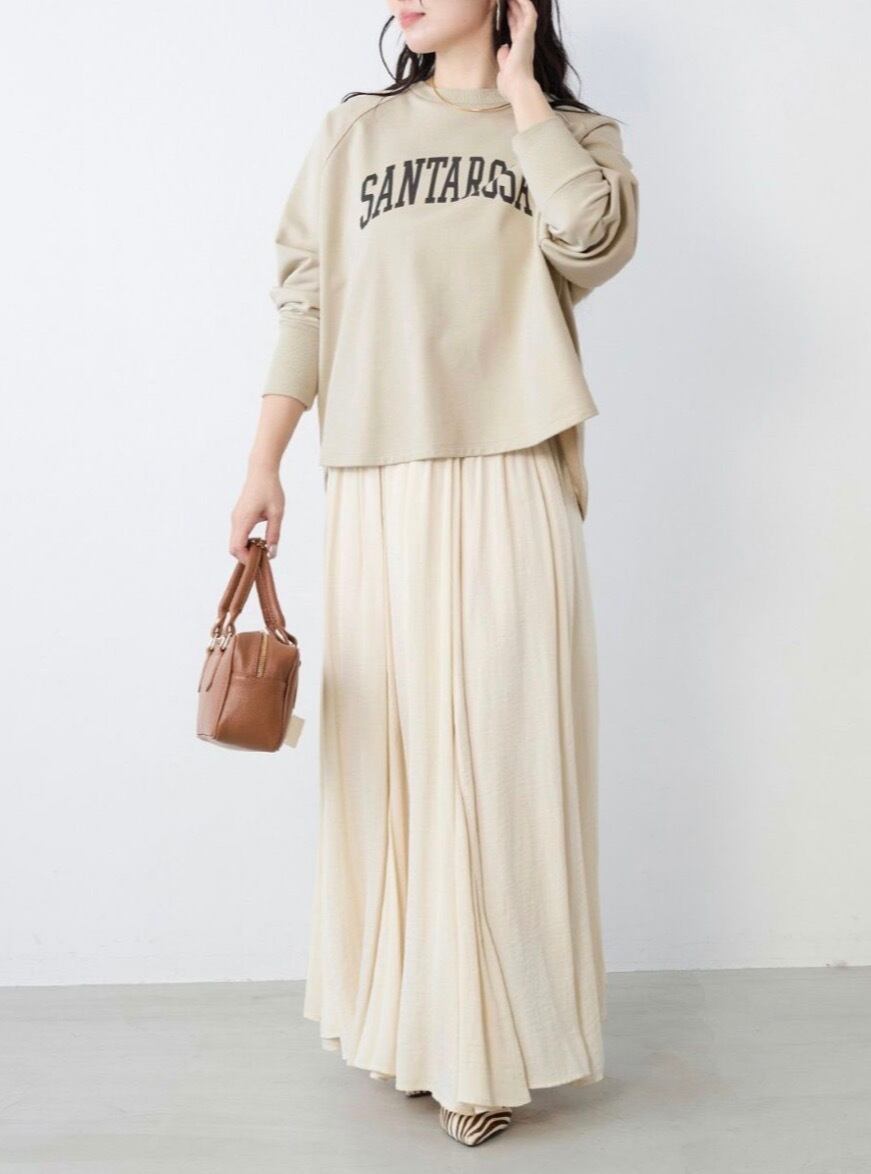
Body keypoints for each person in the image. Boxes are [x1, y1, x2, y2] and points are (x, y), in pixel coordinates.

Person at [230, 0, 638, 1148]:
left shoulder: (572, 135)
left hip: (512, 463)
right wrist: (262, 464)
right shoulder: (353, 134)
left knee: (503, 749)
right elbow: (308, 301)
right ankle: (417, 1029)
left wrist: (521, 97)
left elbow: (593, 242)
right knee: (397, 760)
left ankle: (487, 1051)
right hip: (377, 479)